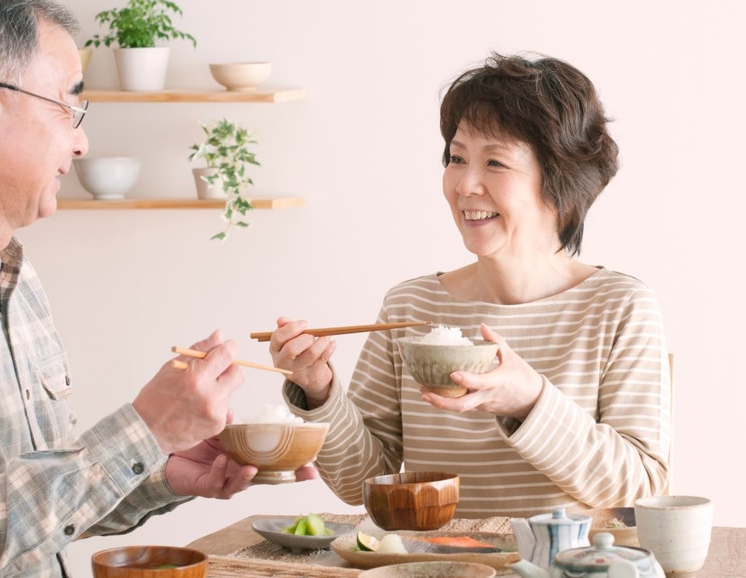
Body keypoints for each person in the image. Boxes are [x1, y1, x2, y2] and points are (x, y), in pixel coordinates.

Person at [0, 0, 315, 577]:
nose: (82, 142)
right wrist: (144, 430)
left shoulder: (9, 270)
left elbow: (24, 514)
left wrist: (160, 464)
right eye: (68, 105)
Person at [268, 53, 671, 517]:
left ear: (562, 180)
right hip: (431, 567)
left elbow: (640, 488)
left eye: (495, 162)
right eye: (457, 158)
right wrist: (318, 390)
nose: (465, 185)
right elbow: (360, 481)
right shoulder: (410, 305)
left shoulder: (618, 307)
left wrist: (530, 401)